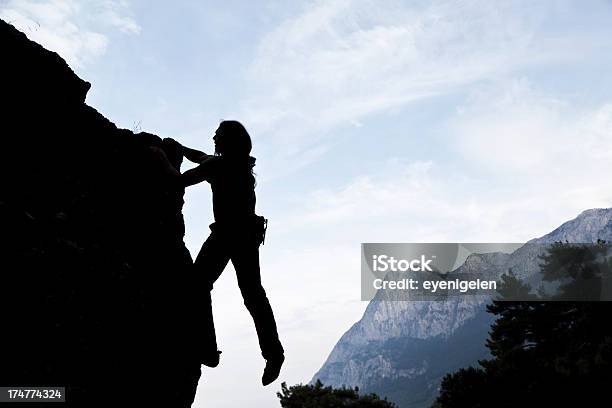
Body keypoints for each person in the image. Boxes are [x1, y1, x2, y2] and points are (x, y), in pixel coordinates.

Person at [158, 121, 285, 386]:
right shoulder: (238, 164)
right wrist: (181, 148)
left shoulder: (218, 167)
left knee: (198, 284)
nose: (213, 136)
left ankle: (208, 348)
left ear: (227, 140)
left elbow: (177, 180)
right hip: (246, 233)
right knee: (253, 294)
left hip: (228, 234)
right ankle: (274, 354)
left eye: (218, 134)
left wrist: (159, 155)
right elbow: (202, 157)